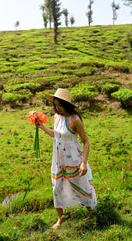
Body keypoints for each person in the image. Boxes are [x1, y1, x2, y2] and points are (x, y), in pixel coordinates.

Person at [36, 88, 97, 229]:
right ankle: (60, 219)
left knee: (80, 185)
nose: (57, 108)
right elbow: (57, 135)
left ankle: (92, 212)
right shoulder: (57, 117)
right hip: (58, 159)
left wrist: (84, 163)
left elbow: (86, 142)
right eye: (55, 105)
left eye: (60, 105)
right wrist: (41, 126)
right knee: (56, 187)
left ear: (67, 105)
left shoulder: (75, 120)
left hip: (74, 158)